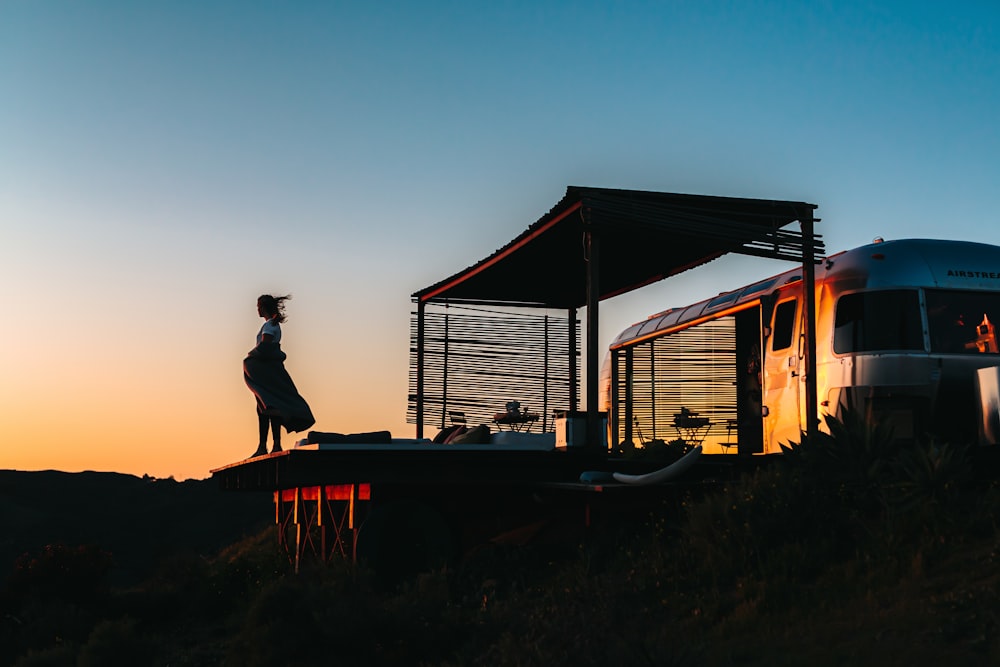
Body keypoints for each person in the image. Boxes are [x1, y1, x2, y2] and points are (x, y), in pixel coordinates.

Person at [243, 294, 315, 457]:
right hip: (270, 370)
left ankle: (265, 446)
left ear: (263, 307)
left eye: (258, 306)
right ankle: (275, 444)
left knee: (265, 407)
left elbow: (265, 346)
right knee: (270, 405)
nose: (257, 309)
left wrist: (250, 356)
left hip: (266, 371)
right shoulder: (272, 324)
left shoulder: (270, 326)